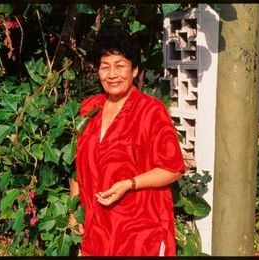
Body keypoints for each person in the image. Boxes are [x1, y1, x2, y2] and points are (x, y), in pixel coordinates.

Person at [68, 26, 186, 256]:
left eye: (120, 66)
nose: (112, 74)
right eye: (105, 66)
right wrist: (74, 212)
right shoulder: (88, 109)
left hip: (140, 231)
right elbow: (77, 165)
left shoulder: (151, 111)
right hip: (97, 228)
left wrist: (129, 184)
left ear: (134, 71)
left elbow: (173, 169)